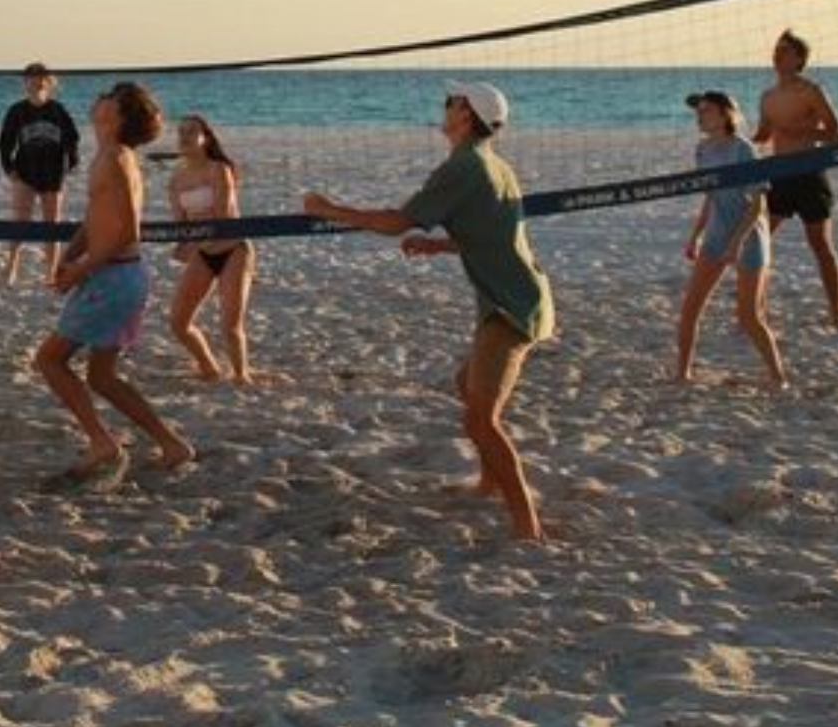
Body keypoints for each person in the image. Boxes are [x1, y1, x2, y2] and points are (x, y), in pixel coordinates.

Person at [302, 81, 553, 543]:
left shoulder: (464, 166)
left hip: (512, 308)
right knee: (466, 385)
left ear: (466, 115)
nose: (445, 108)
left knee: (480, 420)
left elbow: (394, 222)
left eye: (450, 102)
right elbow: (493, 234)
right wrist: (439, 246)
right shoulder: (494, 164)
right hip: (515, 295)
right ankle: (489, 481)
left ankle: (527, 525)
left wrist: (330, 209)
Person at [34, 81, 195, 488]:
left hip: (114, 276)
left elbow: (126, 231)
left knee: (50, 361)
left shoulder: (117, 158)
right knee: (101, 377)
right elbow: (95, 218)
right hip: (116, 274)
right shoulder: (108, 154)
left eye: (110, 96)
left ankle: (102, 443)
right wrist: (70, 255)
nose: (100, 97)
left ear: (119, 115)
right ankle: (172, 444)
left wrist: (82, 269)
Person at [678, 91, 785, 388]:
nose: (700, 116)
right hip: (716, 236)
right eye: (698, 111)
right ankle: (682, 375)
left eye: (706, 111)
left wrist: (736, 243)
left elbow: (758, 204)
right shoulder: (702, 150)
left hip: (749, 237)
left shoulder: (743, 149)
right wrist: (695, 236)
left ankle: (778, 378)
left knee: (749, 317)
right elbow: (711, 197)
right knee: (690, 309)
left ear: (726, 114)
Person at [754, 29, 838, 328]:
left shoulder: (811, 91)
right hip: (779, 175)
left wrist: (805, 131)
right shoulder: (767, 97)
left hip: (809, 174)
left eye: (784, 50)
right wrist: (728, 130)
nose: (777, 55)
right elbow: (763, 135)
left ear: (799, 59)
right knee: (759, 241)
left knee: (820, 244)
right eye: (776, 50)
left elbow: (837, 134)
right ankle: (757, 309)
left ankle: (837, 312)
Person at [166, 114, 257, 384]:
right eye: (181, 131)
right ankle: (208, 367)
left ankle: (241, 375)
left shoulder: (219, 169)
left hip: (233, 249)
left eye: (191, 131)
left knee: (230, 325)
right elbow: (181, 225)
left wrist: (192, 238)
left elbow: (223, 217)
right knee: (178, 322)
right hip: (203, 251)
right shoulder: (176, 179)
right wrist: (181, 245)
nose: (184, 136)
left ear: (205, 138)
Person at [0, 62, 82, 282]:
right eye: (31, 79)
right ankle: (12, 264)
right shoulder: (17, 111)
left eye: (41, 79)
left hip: (53, 172)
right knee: (20, 220)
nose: (36, 83)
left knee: (51, 224)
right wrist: (8, 168)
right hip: (25, 170)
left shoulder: (57, 110)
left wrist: (72, 161)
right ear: (25, 83)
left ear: (49, 83)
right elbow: (5, 142)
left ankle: (51, 271)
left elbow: (72, 138)